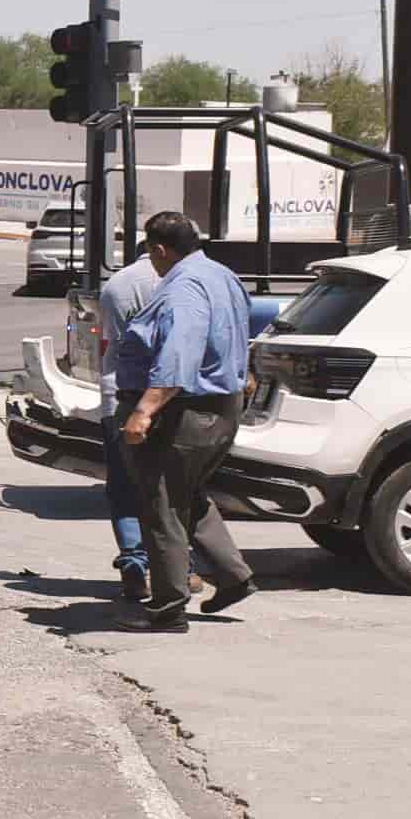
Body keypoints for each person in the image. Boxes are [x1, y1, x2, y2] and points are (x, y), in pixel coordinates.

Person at [116, 212, 258, 633]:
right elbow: (239, 332)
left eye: (151, 254)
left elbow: (180, 354)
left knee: (162, 506)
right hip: (223, 407)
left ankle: (168, 608)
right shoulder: (222, 275)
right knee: (188, 496)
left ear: (159, 249)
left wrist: (144, 411)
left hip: (187, 414)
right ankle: (234, 577)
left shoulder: (183, 288)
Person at [92, 239, 162, 601]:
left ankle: (135, 566)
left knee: (123, 490)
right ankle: (182, 568)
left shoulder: (117, 285)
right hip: (169, 399)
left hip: (118, 396)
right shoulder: (182, 280)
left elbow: (110, 346)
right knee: (169, 489)